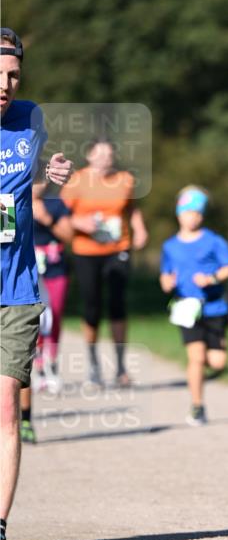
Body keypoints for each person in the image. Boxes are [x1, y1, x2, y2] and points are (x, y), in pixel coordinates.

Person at [0, 28, 73, 540]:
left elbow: (27, 194)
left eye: (13, 76)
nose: (6, 86)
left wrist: (52, 180)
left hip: (17, 288)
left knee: (6, 413)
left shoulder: (30, 118)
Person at [61, 139, 148, 387]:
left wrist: (139, 229)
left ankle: (120, 367)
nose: (105, 159)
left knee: (118, 304)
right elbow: (62, 215)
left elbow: (131, 208)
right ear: (89, 156)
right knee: (92, 307)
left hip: (117, 248)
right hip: (86, 250)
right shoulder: (76, 181)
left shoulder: (124, 180)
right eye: (100, 154)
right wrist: (80, 223)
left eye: (109, 155)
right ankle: (93, 365)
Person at [160, 186, 228, 426]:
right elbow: (164, 277)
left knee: (217, 362)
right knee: (195, 358)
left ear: (202, 216)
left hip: (214, 307)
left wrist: (212, 279)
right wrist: (168, 282)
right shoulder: (169, 246)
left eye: (196, 213)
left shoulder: (214, 241)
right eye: (187, 212)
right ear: (178, 214)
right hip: (186, 308)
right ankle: (197, 406)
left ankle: (205, 364)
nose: (191, 217)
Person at [18, 180, 74, 444]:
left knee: (49, 320)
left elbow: (70, 235)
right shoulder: (9, 200)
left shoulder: (54, 204)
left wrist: (46, 218)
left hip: (51, 269)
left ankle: (26, 419)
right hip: (16, 277)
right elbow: (6, 238)